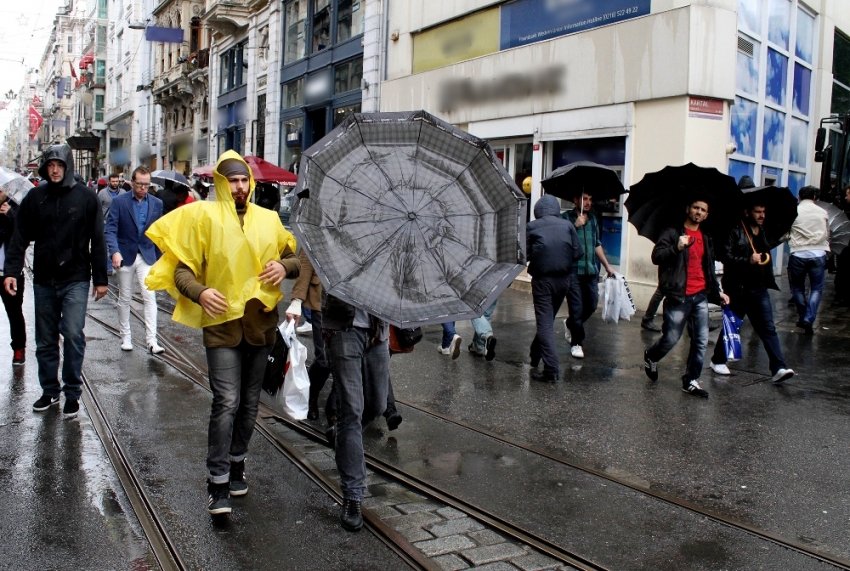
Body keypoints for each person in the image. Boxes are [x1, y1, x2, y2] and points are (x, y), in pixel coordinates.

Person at [145, 150, 300, 516]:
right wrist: (199, 291)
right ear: (220, 183)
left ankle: (237, 462)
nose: (240, 186)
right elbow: (181, 270)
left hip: (260, 326)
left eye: (244, 179)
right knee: (226, 401)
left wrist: (283, 266)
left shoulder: (268, 218)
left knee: (249, 405)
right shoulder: (204, 218)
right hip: (221, 328)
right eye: (232, 180)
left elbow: (295, 259)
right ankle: (217, 481)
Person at [4, 144, 108, 417]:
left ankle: (72, 392)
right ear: (45, 167)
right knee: (46, 338)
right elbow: (19, 237)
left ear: (68, 166)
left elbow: (98, 240)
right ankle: (50, 390)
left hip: (75, 277)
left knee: (73, 333)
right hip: (45, 279)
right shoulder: (35, 198)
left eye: (59, 165)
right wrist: (12, 271)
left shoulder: (86, 197)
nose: (54, 170)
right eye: (50, 165)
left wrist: (100, 278)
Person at [643, 197, 729, 398]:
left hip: (700, 296)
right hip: (678, 296)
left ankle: (690, 380)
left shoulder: (705, 237)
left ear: (707, 215)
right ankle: (651, 356)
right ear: (688, 209)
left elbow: (707, 268)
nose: (698, 212)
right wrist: (677, 247)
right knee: (671, 338)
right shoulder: (673, 232)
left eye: (703, 210)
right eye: (696, 208)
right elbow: (657, 256)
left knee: (701, 340)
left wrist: (718, 292)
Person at [321, 292, 389, 531]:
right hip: (343, 328)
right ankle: (353, 495)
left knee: (377, 405)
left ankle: (342, 437)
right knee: (351, 410)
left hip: (378, 330)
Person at [708, 200, 794, 383]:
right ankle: (718, 360)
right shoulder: (735, 231)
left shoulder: (761, 231)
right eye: (758, 212)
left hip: (758, 288)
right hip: (738, 288)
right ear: (747, 212)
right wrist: (748, 260)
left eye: (764, 211)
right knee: (733, 325)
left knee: (768, 328)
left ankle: (778, 367)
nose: (762, 215)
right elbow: (726, 257)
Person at [104, 166, 165, 354]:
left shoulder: (156, 203)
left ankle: (152, 341)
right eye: (140, 184)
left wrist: (160, 258)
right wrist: (114, 251)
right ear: (131, 182)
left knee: (149, 296)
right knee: (125, 297)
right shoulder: (119, 202)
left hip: (146, 255)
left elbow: (159, 232)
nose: (143, 188)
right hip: (124, 254)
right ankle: (126, 337)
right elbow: (110, 229)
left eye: (147, 185)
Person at [527, 195, 582, 382]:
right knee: (547, 320)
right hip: (564, 280)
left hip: (542, 280)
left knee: (544, 324)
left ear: (538, 210)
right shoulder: (567, 226)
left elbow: (524, 253)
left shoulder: (532, 227)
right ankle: (535, 354)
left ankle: (551, 369)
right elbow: (578, 252)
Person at [561, 191, 615, 358]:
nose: (588, 203)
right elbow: (561, 240)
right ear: (575, 199)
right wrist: (575, 226)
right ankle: (577, 343)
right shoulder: (565, 219)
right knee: (576, 308)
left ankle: (570, 324)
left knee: (591, 305)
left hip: (591, 270)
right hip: (573, 270)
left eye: (591, 199)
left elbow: (597, 243)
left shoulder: (592, 219)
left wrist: (607, 265)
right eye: (585, 199)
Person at [787, 186, 830, 335]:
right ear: (814, 197)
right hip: (818, 253)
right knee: (816, 288)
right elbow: (827, 233)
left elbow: (787, 233)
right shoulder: (823, 212)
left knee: (798, 288)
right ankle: (809, 317)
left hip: (798, 254)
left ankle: (803, 316)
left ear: (799, 197)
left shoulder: (794, 211)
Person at [0, 189, 26, 365]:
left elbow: (25, 233)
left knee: (14, 312)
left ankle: (19, 348)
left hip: (10, 272)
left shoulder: (16, 207)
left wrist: (10, 214)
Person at [97, 173, 125, 276]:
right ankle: (109, 268)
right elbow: (98, 208)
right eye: (113, 181)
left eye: (117, 181)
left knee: (119, 244)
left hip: (120, 223)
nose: (115, 183)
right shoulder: (102, 193)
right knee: (108, 246)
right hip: (106, 223)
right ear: (109, 182)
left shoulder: (123, 192)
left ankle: (118, 265)